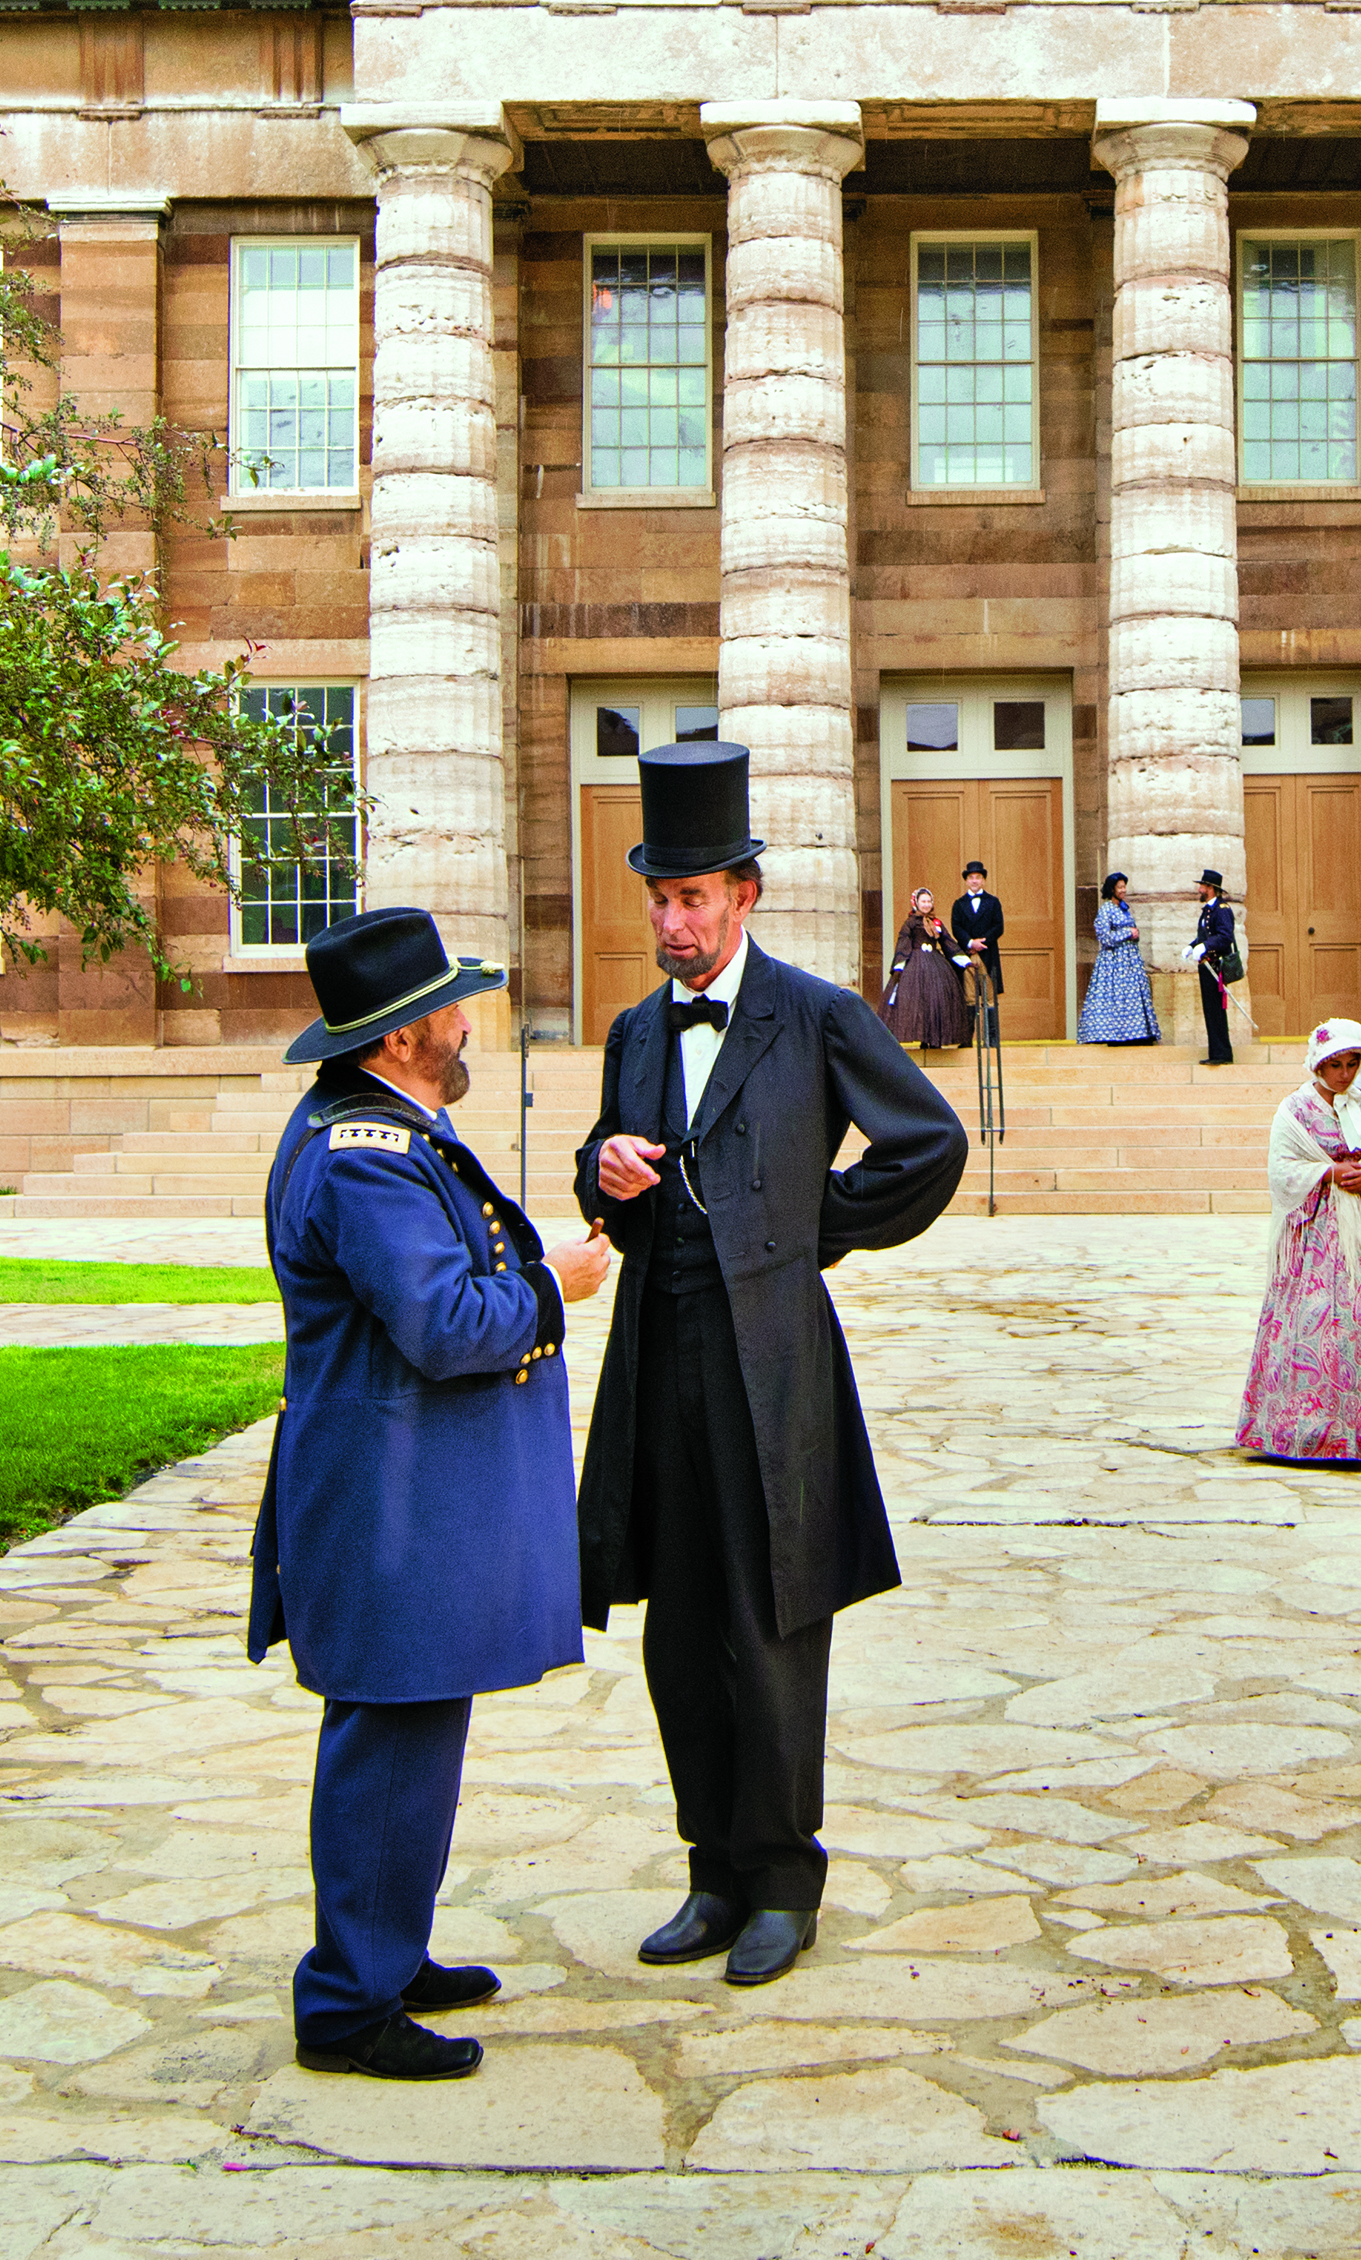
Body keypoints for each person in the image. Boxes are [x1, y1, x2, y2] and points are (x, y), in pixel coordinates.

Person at [575, 737, 969, 1988]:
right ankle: (708, 1870)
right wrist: (606, 1171)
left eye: (692, 899)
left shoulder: (816, 1015)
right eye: (658, 897)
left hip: (774, 1356)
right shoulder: (637, 1030)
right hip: (659, 1350)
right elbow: (613, 1164)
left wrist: (812, 1230)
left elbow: (927, 1144)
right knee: (678, 1627)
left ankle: (782, 1880)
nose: (671, 920)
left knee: (770, 1615)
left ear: (744, 896)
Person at [245, 905, 615, 2082]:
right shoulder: (365, 1158)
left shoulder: (380, 1132)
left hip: (402, 1493)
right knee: (388, 1734)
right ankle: (348, 2001)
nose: (466, 1024)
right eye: (450, 1006)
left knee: (417, 1724)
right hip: (386, 1501)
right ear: (402, 1036)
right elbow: (446, 1323)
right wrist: (555, 1288)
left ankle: (385, 1951)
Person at [1237, 1017, 1361, 1467]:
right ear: (1318, 1065)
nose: (1344, 1074)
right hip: (1320, 1234)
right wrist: (1326, 1172)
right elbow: (1282, 1170)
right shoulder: (1297, 1110)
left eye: (1352, 1063)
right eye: (1335, 1065)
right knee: (1316, 1319)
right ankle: (1309, 1428)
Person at [882, 888, 971, 1052]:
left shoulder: (936, 923)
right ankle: (923, 1037)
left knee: (937, 1000)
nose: (926, 904)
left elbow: (947, 942)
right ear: (916, 903)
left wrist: (965, 961)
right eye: (923, 901)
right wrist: (899, 966)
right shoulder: (910, 923)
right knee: (919, 1001)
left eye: (929, 901)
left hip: (936, 965)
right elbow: (903, 943)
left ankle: (935, 1038)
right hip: (915, 966)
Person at [1078, 873, 1156, 1046]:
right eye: (1120, 887)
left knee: (1131, 997)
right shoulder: (1106, 909)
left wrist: (1134, 934)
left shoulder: (1123, 908)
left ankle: (1136, 1033)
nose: (1123, 890)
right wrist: (1127, 933)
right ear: (1112, 889)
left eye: (1124, 887)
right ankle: (1115, 1034)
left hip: (1129, 961)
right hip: (1113, 962)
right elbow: (1104, 937)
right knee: (1116, 997)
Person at [1190, 870, 1246, 1072]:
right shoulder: (1209, 910)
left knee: (1216, 1011)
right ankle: (1216, 1052)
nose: (1199, 889)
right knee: (1210, 1010)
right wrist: (1192, 946)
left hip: (1216, 967)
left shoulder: (1222, 909)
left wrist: (1205, 947)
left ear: (1211, 888)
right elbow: (1206, 934)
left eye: (1202, 886)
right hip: (1207, 967)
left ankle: (1222, 1053)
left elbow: (1224, 937)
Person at [946, 863, 1006, 1032]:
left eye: (978, 877)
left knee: (989, 997)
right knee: (969, 997)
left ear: (983, 880)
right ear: (966, 881)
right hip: (967, 956)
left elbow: (998, 926)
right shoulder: (959, 904)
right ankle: (966, 1039)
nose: (974, 881)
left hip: (987, 955)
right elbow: (956, 927)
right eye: (971, 878)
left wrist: (982, 943)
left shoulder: (993, 902)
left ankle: (991, 1039)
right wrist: (970, 943)